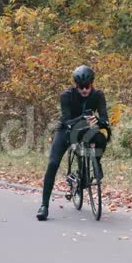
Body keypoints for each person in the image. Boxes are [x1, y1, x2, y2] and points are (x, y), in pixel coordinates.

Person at [36, 65, 110, 221]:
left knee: (101, 139)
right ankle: (44, 205)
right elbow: (67, 121)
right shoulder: (67, 95)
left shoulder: (98, 95)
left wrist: (99, 121)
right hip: (66, 130)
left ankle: (96, 163)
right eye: (81, 87)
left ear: (92, 84)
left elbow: (105, 119)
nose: (84, 90)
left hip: (85, 130)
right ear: (76, 86)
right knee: (53, 163)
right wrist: (82, 118)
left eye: (87, 86)